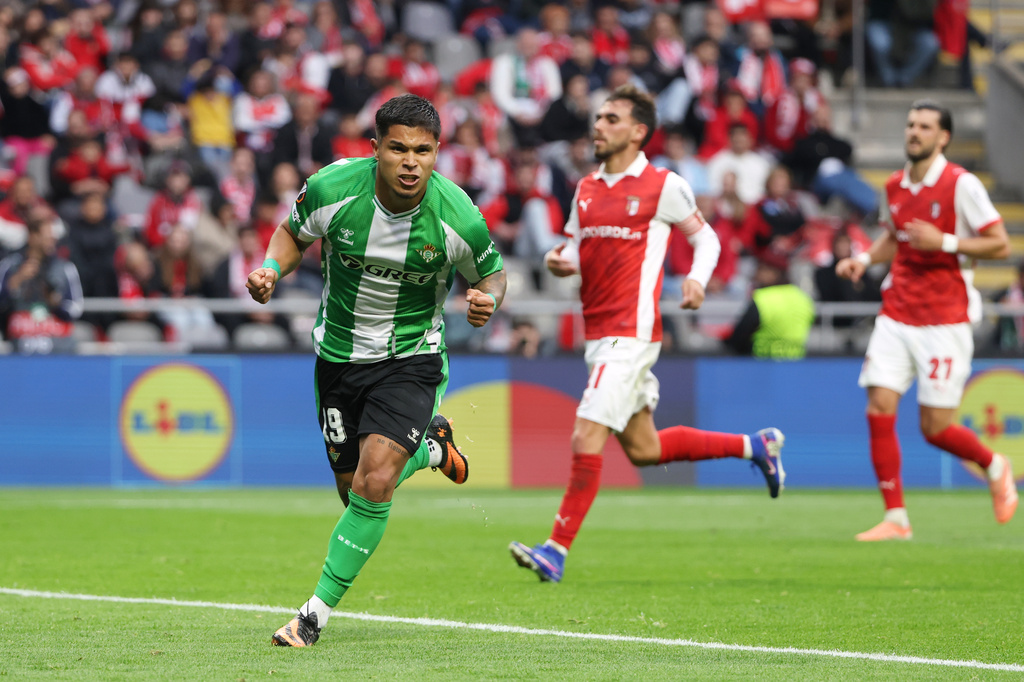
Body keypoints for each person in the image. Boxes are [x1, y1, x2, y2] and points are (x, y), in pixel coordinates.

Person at [246, 94, 507, 646]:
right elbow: (292, 236)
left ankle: (312, 615)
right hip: (338, 358)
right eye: (398, 149)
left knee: (375, 480)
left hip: (411, 358)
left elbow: (493, 273)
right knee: (352, 489)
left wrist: (487, 299)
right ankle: (433, 448)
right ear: (376, 150)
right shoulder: (332, 189)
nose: (411, 162)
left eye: (424, 151)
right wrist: (271, 268)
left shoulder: (457, 216)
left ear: (437, 153)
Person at [508, 85, 785, 584]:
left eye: (611, 118)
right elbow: (573, 246)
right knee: (645, 448)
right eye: (598, 117)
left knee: (585, 431)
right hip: (599, 336)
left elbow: (707, 238)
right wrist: (560, 259)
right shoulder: (587, 188)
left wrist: (698, 279)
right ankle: (755, 446)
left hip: (631, 334)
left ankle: (556, 549)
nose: (599, 125)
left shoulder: (664, 185)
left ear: (638, 131)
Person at [835, 99, 1017, 541]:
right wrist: (864, 258)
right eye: (911, 124)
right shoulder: (894, 184)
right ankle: (896, 518)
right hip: (897, 313)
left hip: (944, 320)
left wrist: (947, 241)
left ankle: (995, 465)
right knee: (879, 406)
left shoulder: (962, 184)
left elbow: (1000, 245)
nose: (914, 132)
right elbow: (893, 237)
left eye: (924, 126)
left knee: (935, 428)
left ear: (943, 137)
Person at [725, 255, 815, 359]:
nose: (756, 274)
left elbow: (740, 336)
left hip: (761, 363)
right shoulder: (803, 297)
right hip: (795, 364)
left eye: (761, 269)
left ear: (774, 273)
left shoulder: (763, 297)